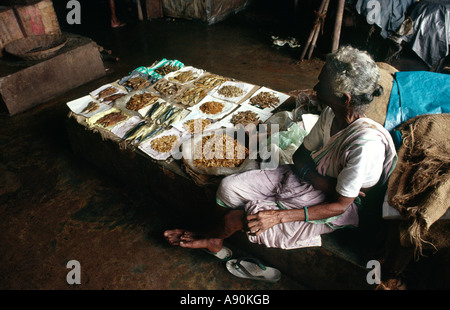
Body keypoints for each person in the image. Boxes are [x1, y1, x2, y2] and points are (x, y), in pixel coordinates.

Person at [164, 46, 397, 254]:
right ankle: (213, 236)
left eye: (321, 84)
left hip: (331, 209)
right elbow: (300, 157)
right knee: (228, 188)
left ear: (345, 98)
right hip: (313, 183)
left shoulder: (364, 146)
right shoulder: (330, 114)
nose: (315, 87)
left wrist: (278, 216)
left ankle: (211, 238)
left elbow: (339, 205)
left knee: (241, 217)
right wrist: (323, 182)